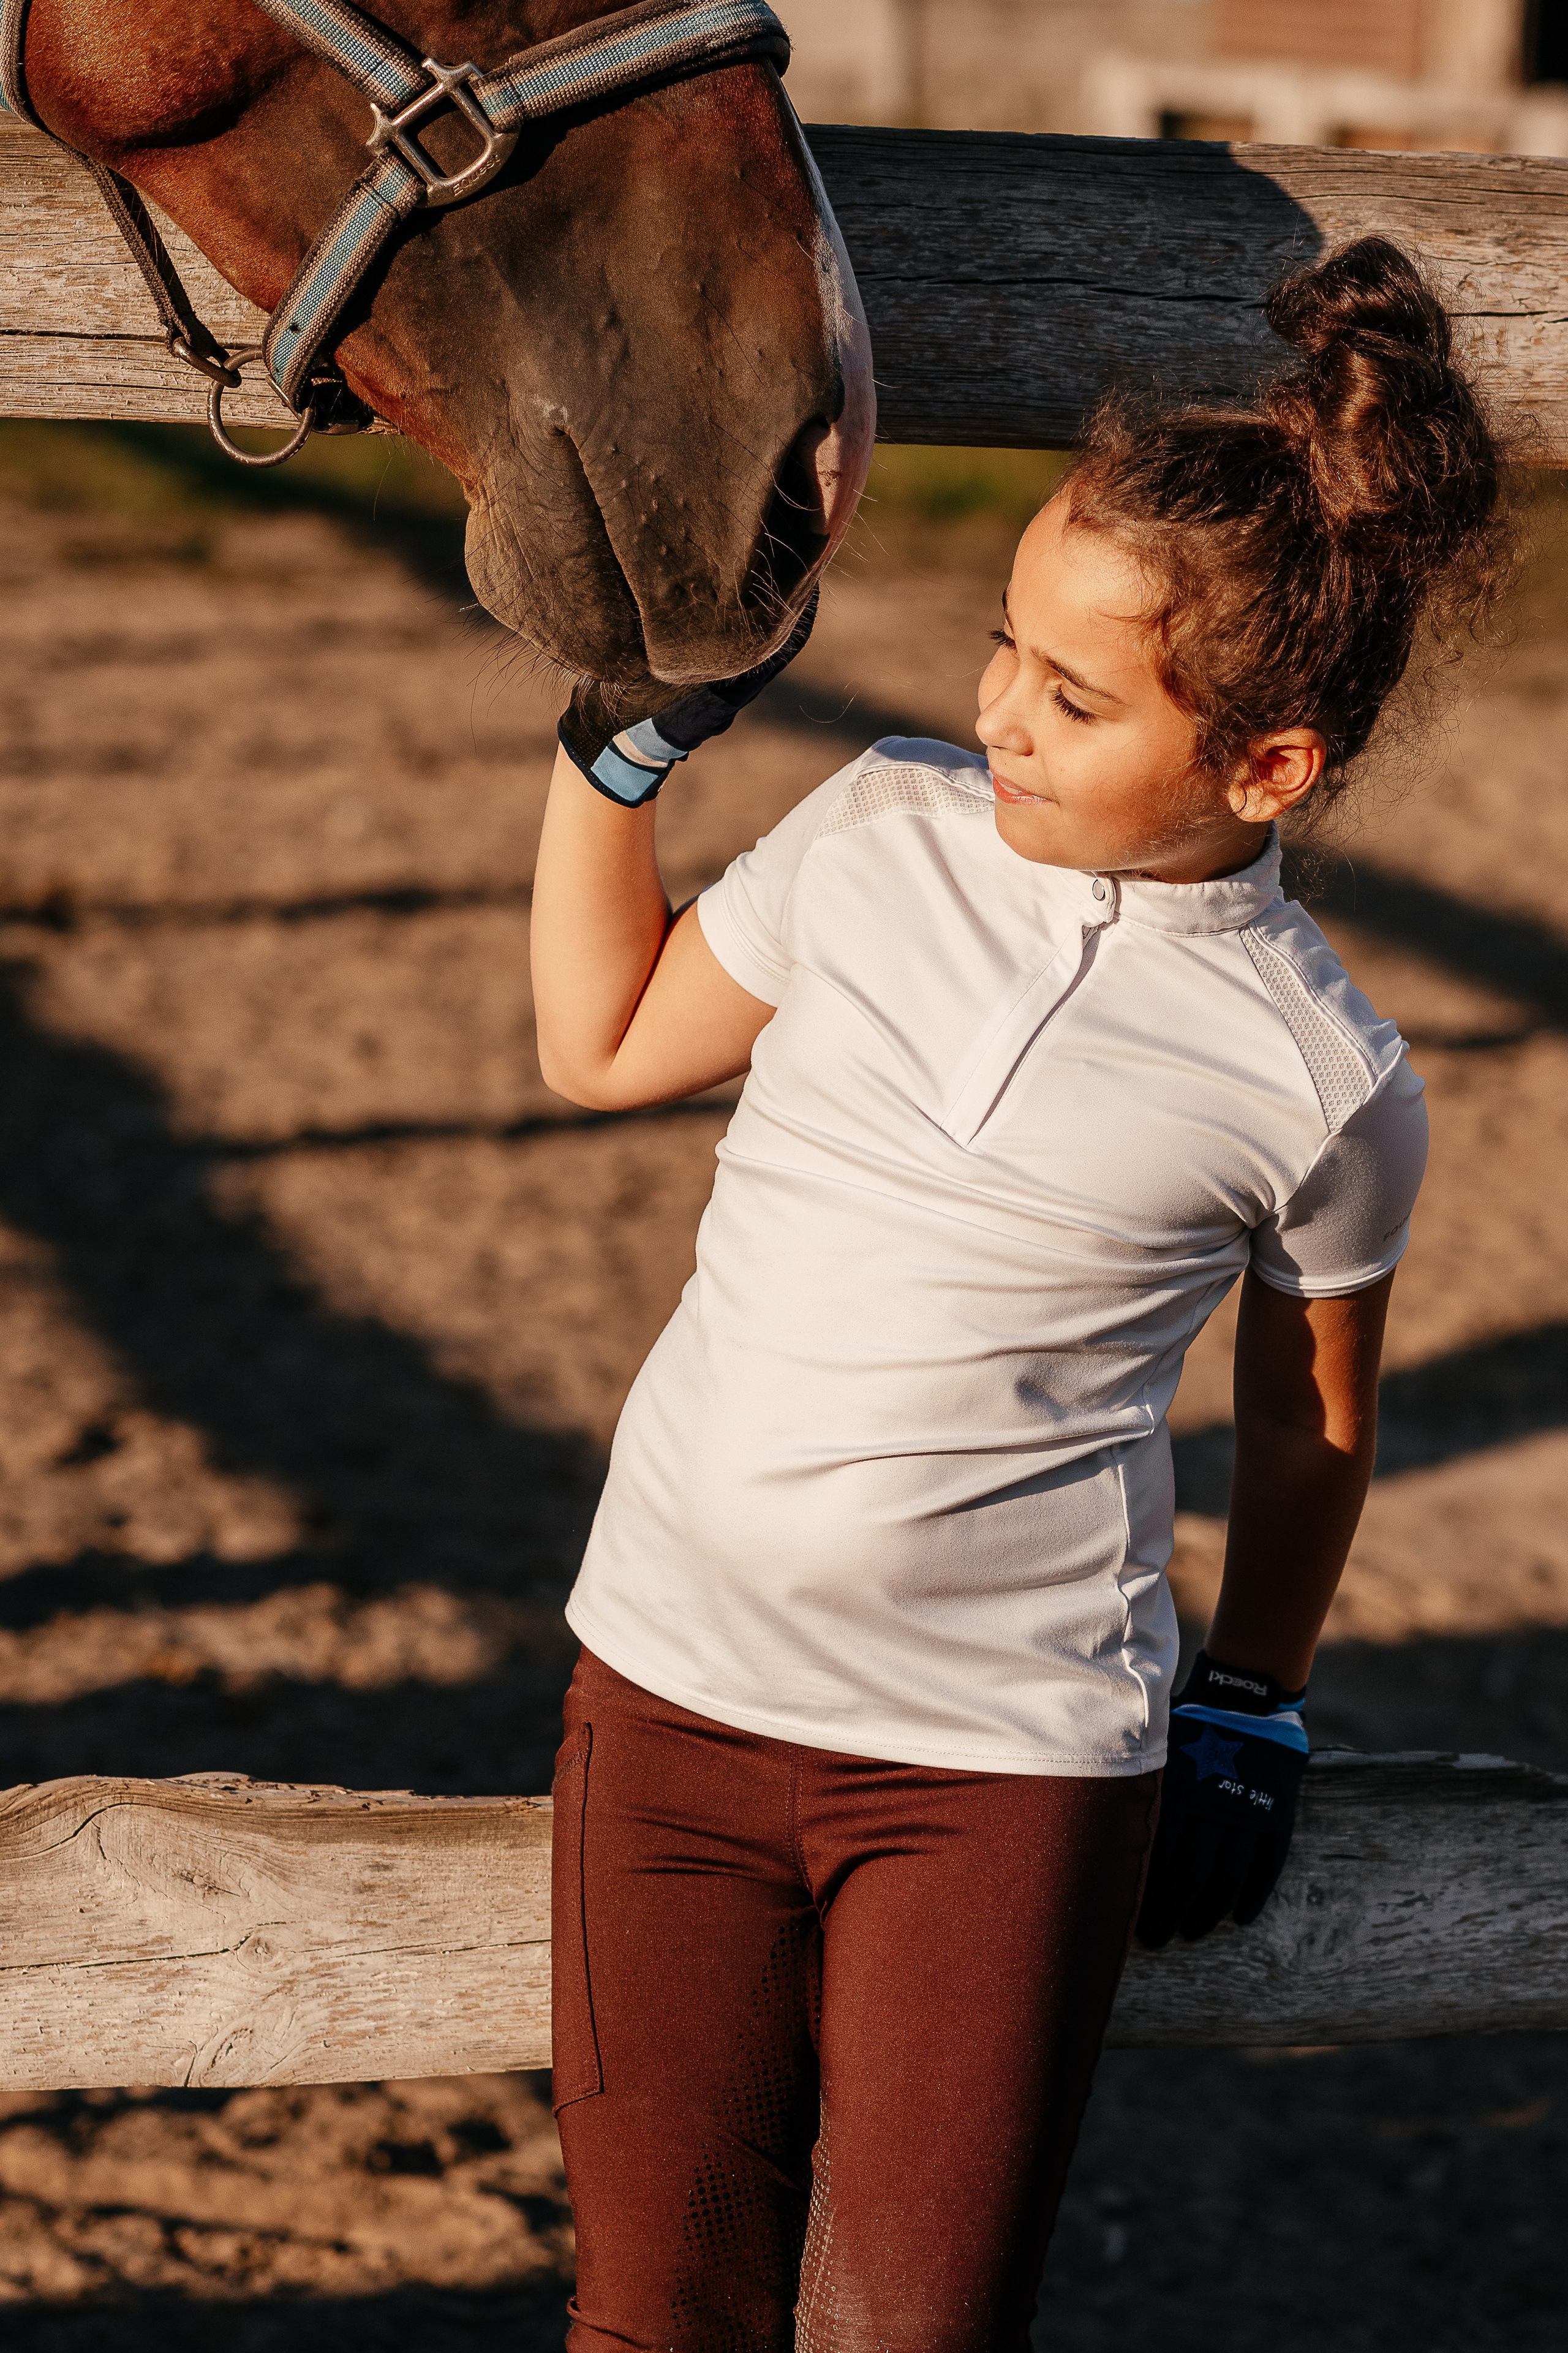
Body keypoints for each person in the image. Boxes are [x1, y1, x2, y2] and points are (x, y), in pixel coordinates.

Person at [529, 236, 1505, 2350]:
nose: (995, 713)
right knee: (650, 2318)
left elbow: (1310, 1420)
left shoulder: (1324, 1077)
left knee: (910, 2334)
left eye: (1075, 699)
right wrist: (609, 767)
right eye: (1002, 647)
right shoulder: (875, 836)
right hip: (668, 1697)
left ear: (1269, 766)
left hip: (1002, 1770)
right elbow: (601, 1043)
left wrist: (1253, 1692)